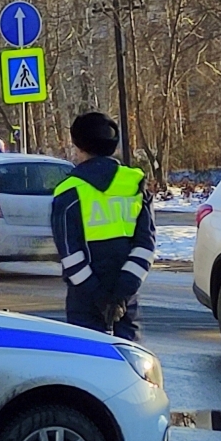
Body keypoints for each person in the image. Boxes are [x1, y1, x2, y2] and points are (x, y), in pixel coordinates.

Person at [50, 111, 154, 341]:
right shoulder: (134, 185)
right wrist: (120, 295)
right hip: (126, 298)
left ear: (78, 146)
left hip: (85, 299)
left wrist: (100, 298)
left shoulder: (69, 192)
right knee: (130, 364)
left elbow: (71, 256)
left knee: (88, 369)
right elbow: (145, 246)